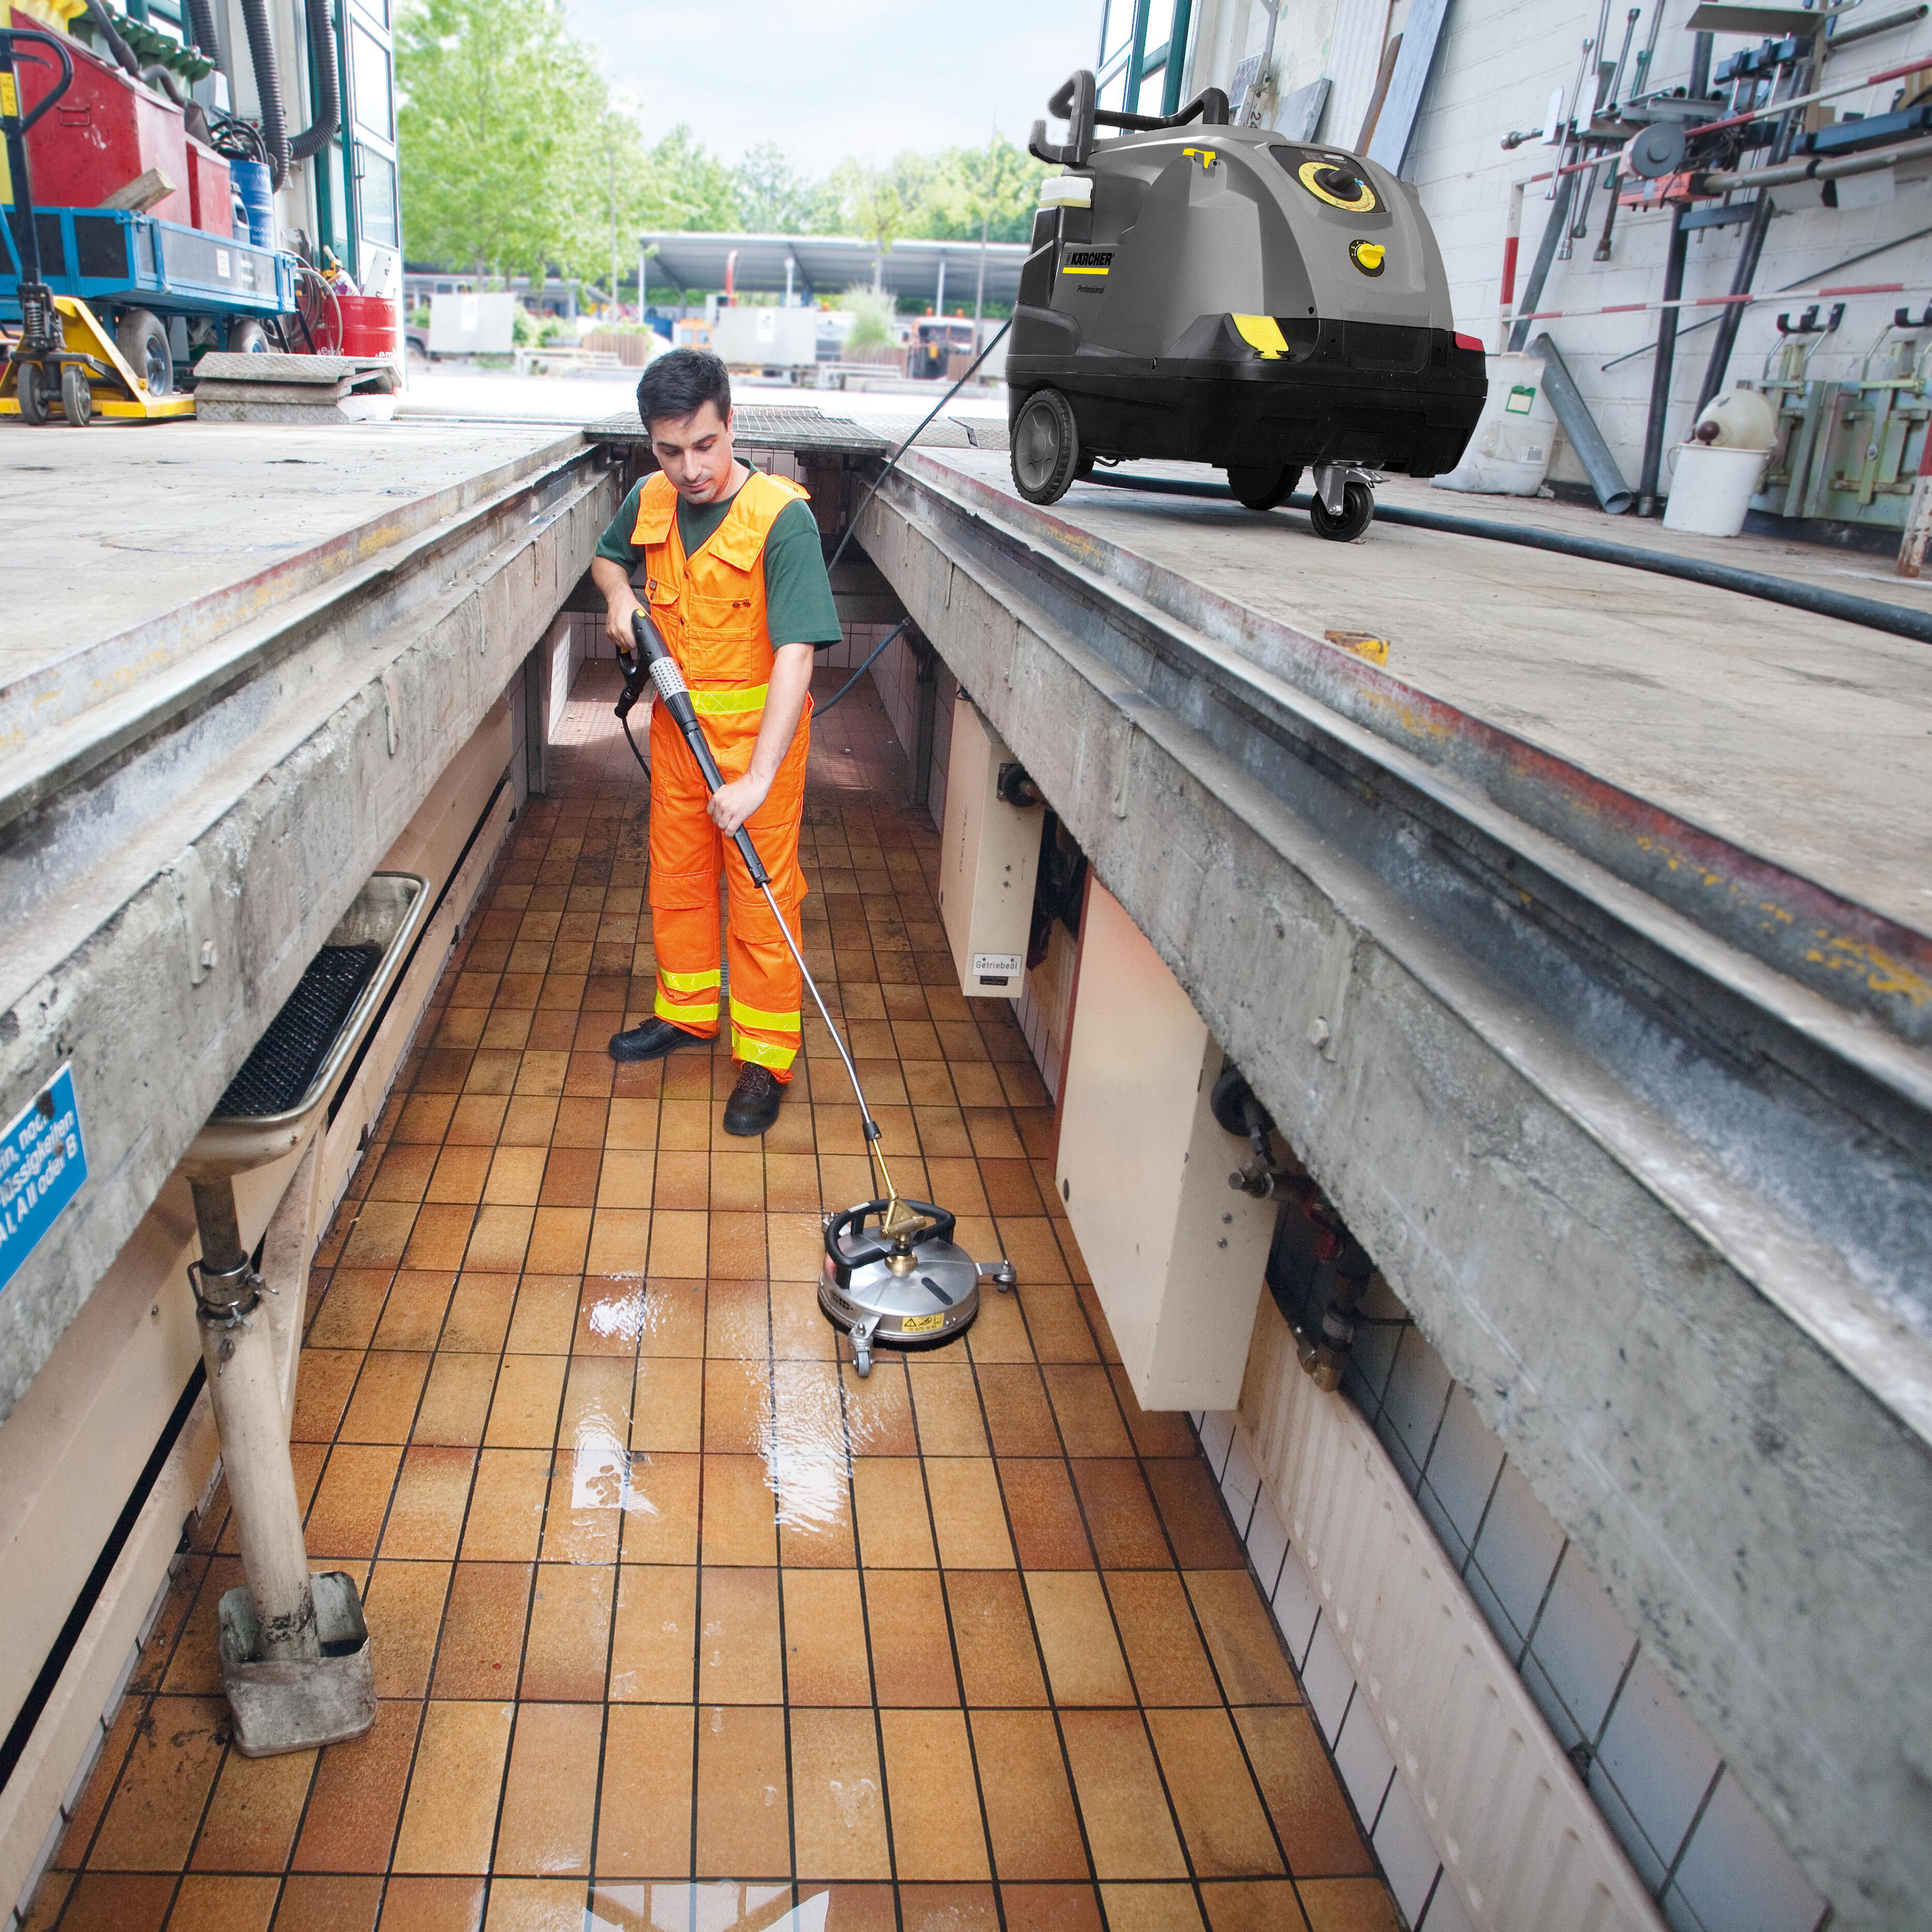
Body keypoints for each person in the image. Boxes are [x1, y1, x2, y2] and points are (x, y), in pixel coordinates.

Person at [590, 349, 842, 1135]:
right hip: (677, 737)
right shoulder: (649, 498)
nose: (691, 469)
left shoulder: (781, 518)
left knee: (762, 903)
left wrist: (758, 779)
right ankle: (689, 1011)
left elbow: (797, 654)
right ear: (651, 444)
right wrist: (619, 598)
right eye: (670, 451)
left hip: (756, 745)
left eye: (705, 444)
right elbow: (607, 559)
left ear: (731, 424)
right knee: (679, 878)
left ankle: (764, 1057)